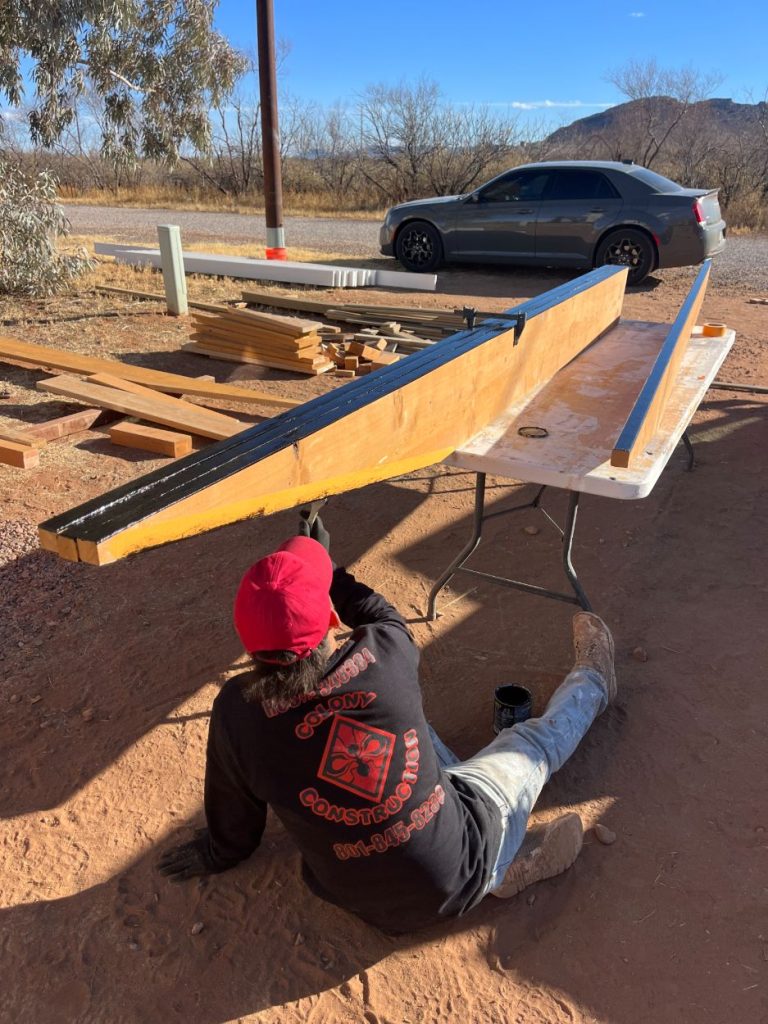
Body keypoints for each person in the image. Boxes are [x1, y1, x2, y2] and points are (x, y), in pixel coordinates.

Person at [158, 516, 616, 933]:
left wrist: (219, 853)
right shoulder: (384, 656)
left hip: (356, 899)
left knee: (407, 738)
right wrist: (331, 573)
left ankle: (497, 868)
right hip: (457, 865)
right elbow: (381, 613)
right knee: (526, 742)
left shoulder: (238, 711)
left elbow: (235, 812)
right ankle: (596, 682)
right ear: (332, 619)